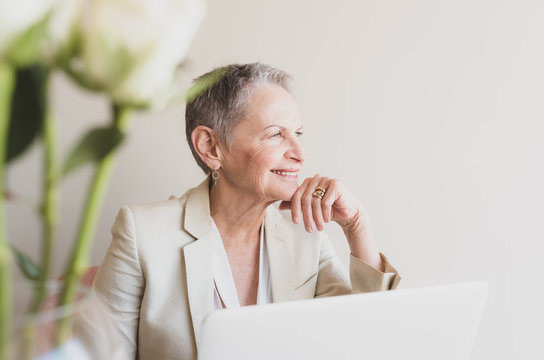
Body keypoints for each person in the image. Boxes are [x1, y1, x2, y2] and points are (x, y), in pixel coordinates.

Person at [93, 63, 401, 360]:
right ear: (210, 147)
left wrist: (358, 226)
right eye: (275, 134)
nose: (300, 154)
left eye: (298, 134)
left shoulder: (305, 234)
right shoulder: (142, 234)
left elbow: (365, 339)